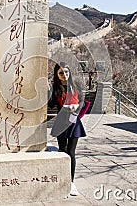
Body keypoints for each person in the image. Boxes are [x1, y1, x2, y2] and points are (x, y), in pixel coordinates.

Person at [48, 62, 86, 197]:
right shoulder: (55, 87)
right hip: (61, 122)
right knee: (63, 151)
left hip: (74, 121)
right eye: (61, 73)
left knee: (71, 152)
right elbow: (51, 104)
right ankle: (62, 179)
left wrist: (77, 107)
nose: (64, 75)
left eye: (66, 72)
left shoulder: (75, 86)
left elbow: (82, 100)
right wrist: (49, 91)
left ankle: (71, 182)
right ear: (57, 75)